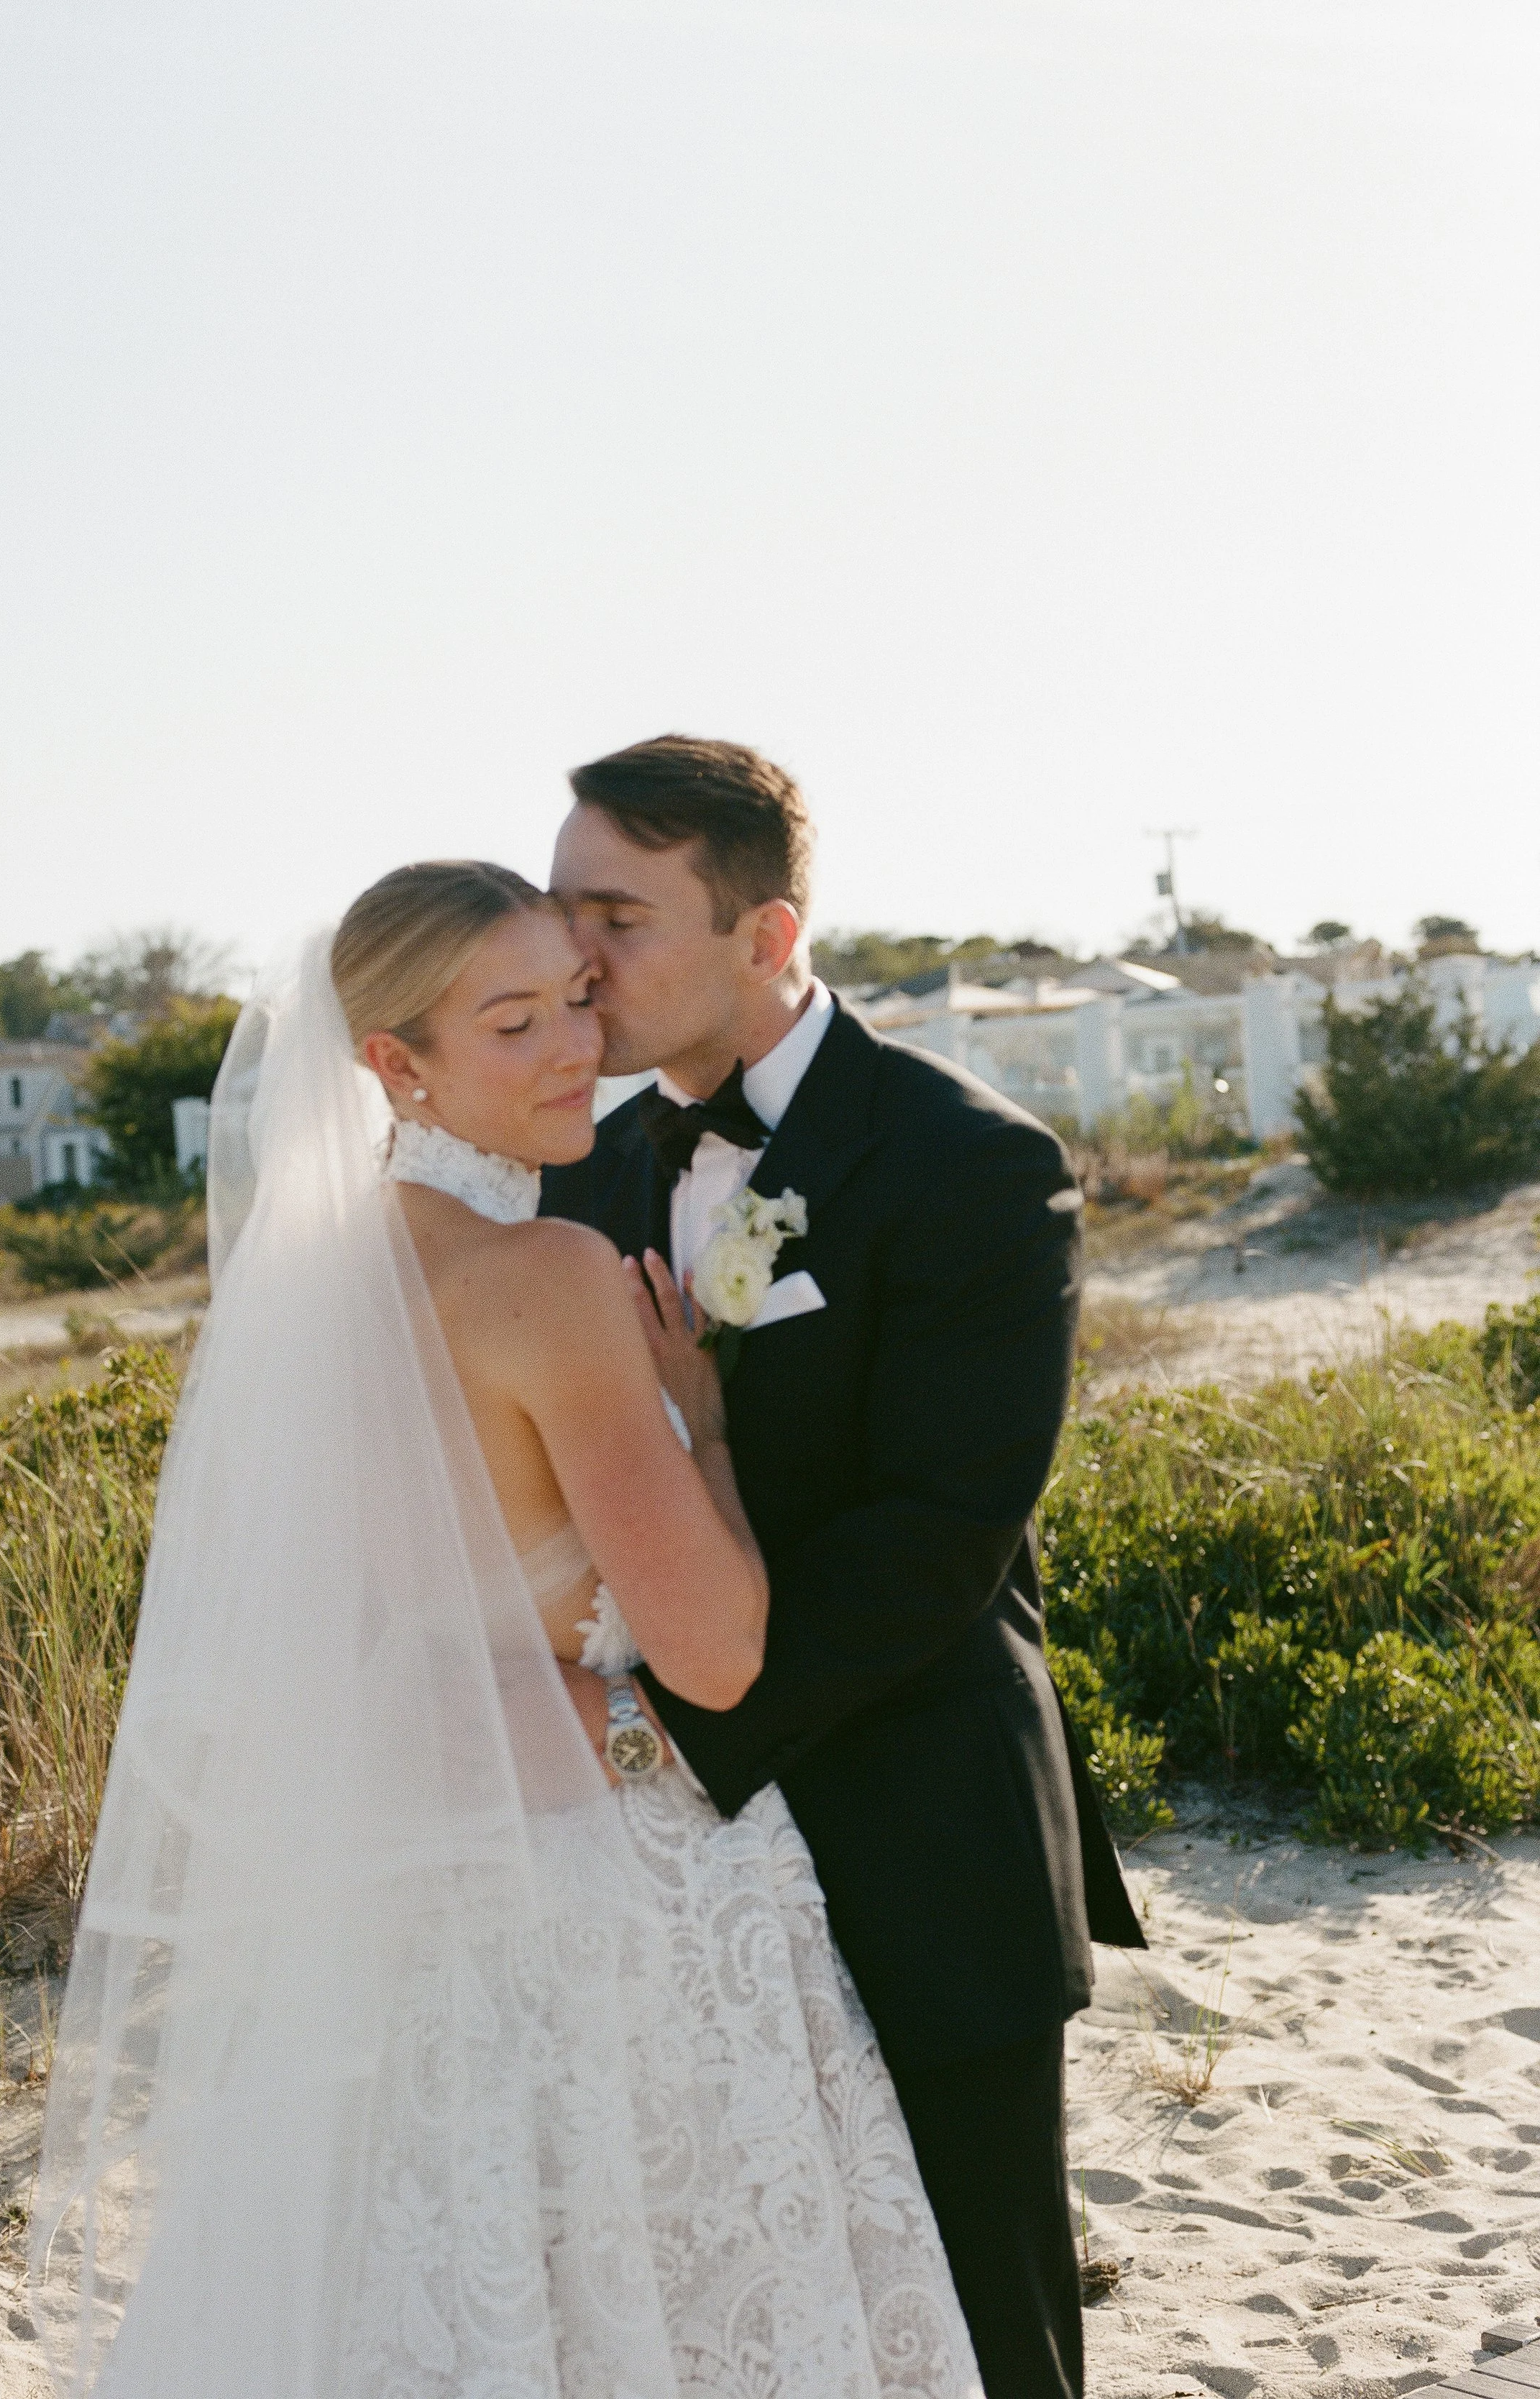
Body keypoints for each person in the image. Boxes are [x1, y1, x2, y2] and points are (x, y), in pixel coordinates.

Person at [32, 863, 983, 2398]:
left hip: (416, 1901)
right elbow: (720, 1658)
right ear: (393, 1066)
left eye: (578, 1000)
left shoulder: (315, 1290)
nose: (572, 1051)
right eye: (514, 1021)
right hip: (611, 1907)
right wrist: (705, 1430)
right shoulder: (542, 1277)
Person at [541, 736, 1147, 2399]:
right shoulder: (574, 1171)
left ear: (767, 934)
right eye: (557, 908)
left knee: (980, 2319)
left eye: (620, 915)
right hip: (670, 1876)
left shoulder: (971, 1163)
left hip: (914, 1821)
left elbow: (937, 1538)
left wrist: (677, 1726)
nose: (571, 956)